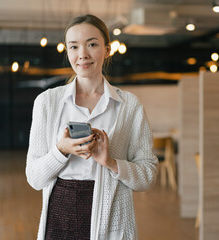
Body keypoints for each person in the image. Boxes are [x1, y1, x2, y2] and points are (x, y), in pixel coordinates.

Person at [26, 14, 158, 240]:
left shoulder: (129, 106)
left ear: (107, 50)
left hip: (111, 217)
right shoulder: (46, 102)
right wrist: (61, 150)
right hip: (59, 217)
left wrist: (110, 162)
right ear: (67, 51)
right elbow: (35, 178)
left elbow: (148, 176)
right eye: (74, 46)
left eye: (92, 44)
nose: (82, 55)